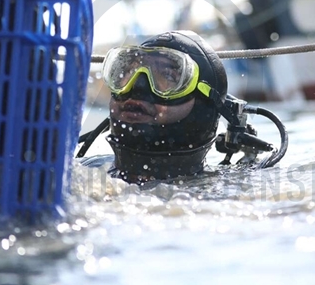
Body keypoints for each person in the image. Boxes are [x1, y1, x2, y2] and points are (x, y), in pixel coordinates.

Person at [77, 30, 287, 184]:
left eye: (168, 77)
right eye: (127, 73)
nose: (138, 88)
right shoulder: (79, 170)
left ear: (204, 104)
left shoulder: (226, 192)